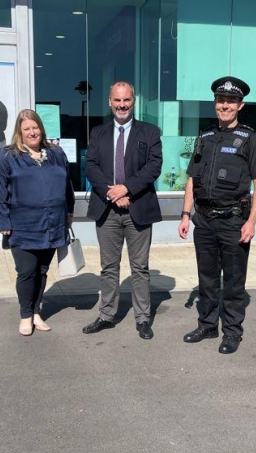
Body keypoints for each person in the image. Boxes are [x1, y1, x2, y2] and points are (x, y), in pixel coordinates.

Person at [178, 76, 256, 354]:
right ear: (215, 103)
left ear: (240, 105)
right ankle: (206, 325)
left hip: (233, 220)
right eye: (221, 100)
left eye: (230, 101)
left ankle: (232, 332)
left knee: (233, 279)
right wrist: (185, 214)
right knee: (206, 277)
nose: (225, 105)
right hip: (203, 220)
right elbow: (193, 178)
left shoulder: (248, 139)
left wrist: (251, 221)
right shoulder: (204, 137)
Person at [82, 81, 163, 339]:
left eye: (126, 100)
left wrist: (125, 188)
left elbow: (153, 167)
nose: (122, 105)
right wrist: (112, 193)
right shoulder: (98, 133)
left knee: (139, 268)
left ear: (133, 101)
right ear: (109, 101)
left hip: (138, 208)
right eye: (117, 100)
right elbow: (91, 167)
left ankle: (142, 318)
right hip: (107, 209)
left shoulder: (150, 132)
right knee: (109, 267)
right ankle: (107, 315)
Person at [0, 109, 74, 336]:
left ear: (41, 128)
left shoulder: (56, 153)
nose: (32, 132)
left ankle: (37, 311)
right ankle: (25, 315)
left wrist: (69, 212)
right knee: (27, 271)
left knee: (43, 270)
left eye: (35, 127)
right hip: (23, 225)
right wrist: (3, 220)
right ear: (19, 132)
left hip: (52, 223)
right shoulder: (8, 156)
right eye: (26, 128)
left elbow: (67, 186)